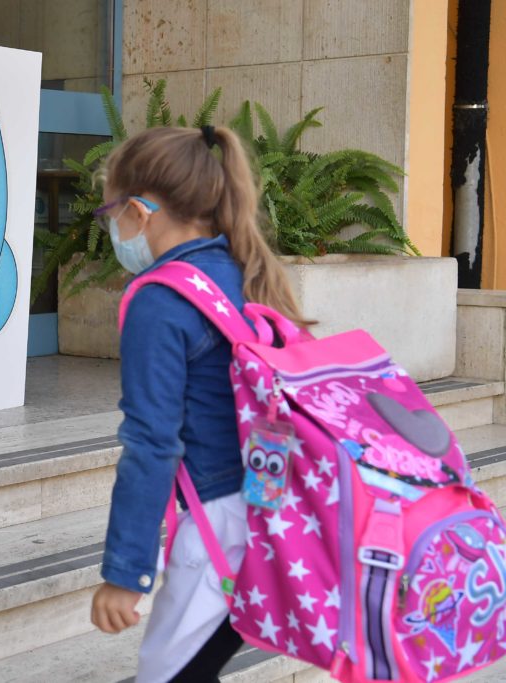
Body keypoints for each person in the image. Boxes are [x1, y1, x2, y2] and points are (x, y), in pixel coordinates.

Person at [88, 125, 312, 682]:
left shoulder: (161, 301)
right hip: (268, 509)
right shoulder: (241, 272)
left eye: (110, 213)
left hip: (218, 528)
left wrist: (126, 572)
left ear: (139, 210)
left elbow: (151, 443)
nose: (114, 228)